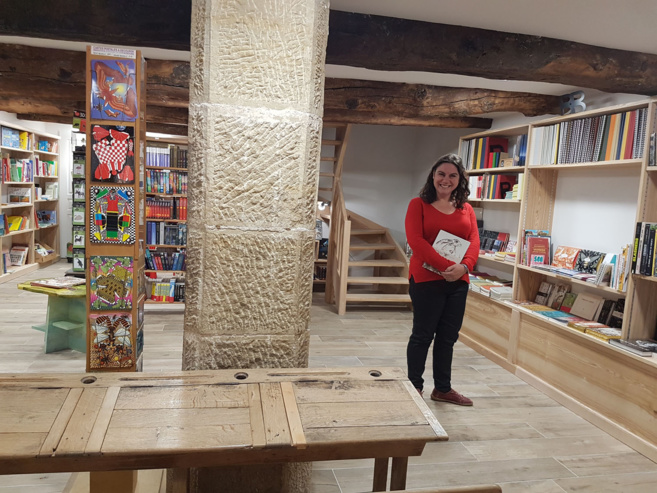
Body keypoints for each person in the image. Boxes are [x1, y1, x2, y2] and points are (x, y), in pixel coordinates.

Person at [405, 153, 480, 406]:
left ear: (459, 180)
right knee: (422, 335)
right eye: (441, 174)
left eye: (452, 175)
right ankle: (415, 386)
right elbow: (416, 241)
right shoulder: (418, 204)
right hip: (426, 279)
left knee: (448, 338)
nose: (446, 180)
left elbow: (474, 240)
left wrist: (465, 267)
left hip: (458, 282)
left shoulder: (466, 208)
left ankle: (443, 389)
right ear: (433, 176)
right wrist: (448, 267)